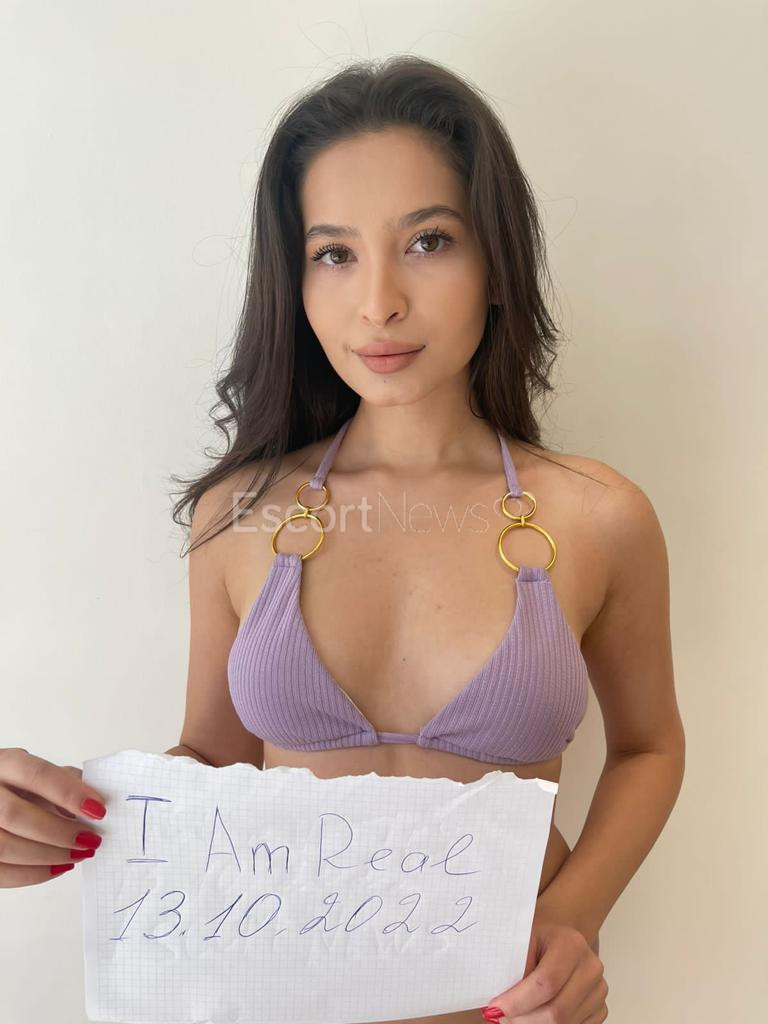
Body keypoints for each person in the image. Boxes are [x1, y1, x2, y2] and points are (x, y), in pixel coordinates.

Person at [1, 55, 685, 1024]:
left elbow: (650, 746)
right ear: (296, 278)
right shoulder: (239, 516)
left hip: (513, 1008)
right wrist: (51, 815)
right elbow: (212, 762)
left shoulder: (598, 514)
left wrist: (575, 919)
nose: (379, 303)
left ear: (497, 262)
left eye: (429, 241)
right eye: (334, 253)